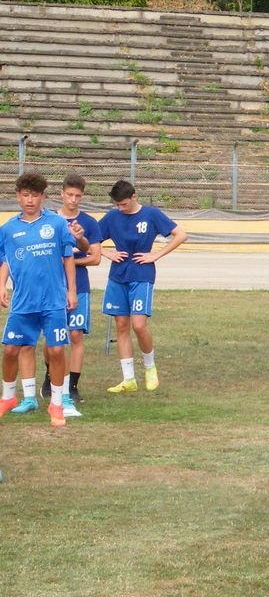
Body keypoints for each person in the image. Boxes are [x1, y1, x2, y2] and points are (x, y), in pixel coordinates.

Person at [0, 172, 80, 427]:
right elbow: (5, 259)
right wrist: (1, 285)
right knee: (10, 349)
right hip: (23, 302)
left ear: (43, 197)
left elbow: (68, 256)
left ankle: (56, 403)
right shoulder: (8, 229)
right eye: (25, 195)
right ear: (18, 197)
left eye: (35, 195)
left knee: (56, 349)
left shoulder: (56, 224)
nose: (30, 200)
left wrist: (71, 291)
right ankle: (9, 397)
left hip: (53, 300)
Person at [96, 180, 187, 394]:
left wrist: (155, 255)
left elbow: (181, 235)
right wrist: (107, 252)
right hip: (118, 276)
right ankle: (128, 379)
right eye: (117, 204)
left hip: (142, 275)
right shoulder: (112, 217)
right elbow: (90, 239)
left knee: (138, 324)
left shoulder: (151, 214)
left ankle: (150, 367)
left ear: (134, 197)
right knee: (121, 326)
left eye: (124, 204)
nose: (121, 208)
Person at [37, 174, 102, 413]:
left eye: (78, 196)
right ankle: (49, 375)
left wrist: (78, 242)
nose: (73, 200)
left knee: (75, 335)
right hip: (52, 287)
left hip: (80, 286)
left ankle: (72, 386)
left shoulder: (89, 223)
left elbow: (94, 257)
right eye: (70, 195)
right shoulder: (49, 220)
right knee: (52, 335)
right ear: (62, 194)